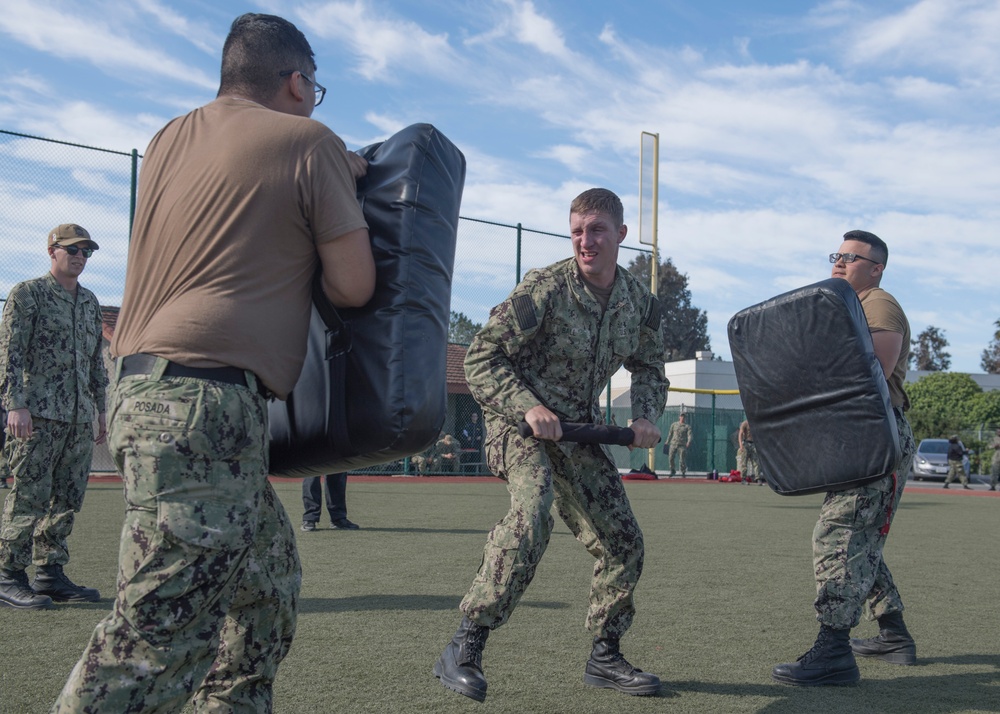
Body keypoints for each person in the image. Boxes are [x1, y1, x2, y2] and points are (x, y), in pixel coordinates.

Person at [54, 13, 375, 712]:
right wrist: (336, 175)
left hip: (144, 388)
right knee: (157, 639)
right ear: (296, 83)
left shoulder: (170, 136)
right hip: (202, 406)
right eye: (315, 90)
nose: (314, 104)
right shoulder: (310, 141)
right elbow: (354, 285)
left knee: (266, 587)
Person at [434, 188, 668, 702]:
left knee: (624, 541)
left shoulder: (639, 304)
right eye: (578, 230)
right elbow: (481, 357)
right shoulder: (545, 288)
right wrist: (526, 405)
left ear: (621, 235)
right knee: (533, 510)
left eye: (598, 230)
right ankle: (464, 645)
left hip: (579, 431)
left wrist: (647, 414)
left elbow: (649, 366)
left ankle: (605, 656)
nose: (586, 241)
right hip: (516, 425)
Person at [772, 230, 917, 686]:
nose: (839, 263)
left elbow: (872, 370)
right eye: (837, 255)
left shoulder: (878, 302)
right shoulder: (843, 306)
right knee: (859, 537)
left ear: (876, 268)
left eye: (852, 258)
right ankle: (892, 634)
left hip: (874, 436)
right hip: (853, 437)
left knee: (839, 535)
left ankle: (833, 652)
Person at [0, 224, 107, 611]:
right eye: (73, 249)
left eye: (87, 252)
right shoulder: (28, 294)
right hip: (37, 415)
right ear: (52, 250)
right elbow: (9, 353)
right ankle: (9, 575)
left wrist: (101, 408)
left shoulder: (90, 301)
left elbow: (96, 359)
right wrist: (15, 404)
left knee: (66, 499)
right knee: (28, 496)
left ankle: (50, 573)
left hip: (78, 417)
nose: (80, 256)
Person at [663, 413, 692, 477]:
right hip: (673, 443)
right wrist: (667, 441)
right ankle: (672, 470)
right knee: (671, 458)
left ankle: (683, 472)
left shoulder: (687, 426)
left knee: (682, 459)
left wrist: (688, 442)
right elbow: (670, 434)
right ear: (679, 417)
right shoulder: (674, 425)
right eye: (681, 416)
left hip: (682, 444)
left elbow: (689, 435)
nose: (682, 418)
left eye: (684, 417)